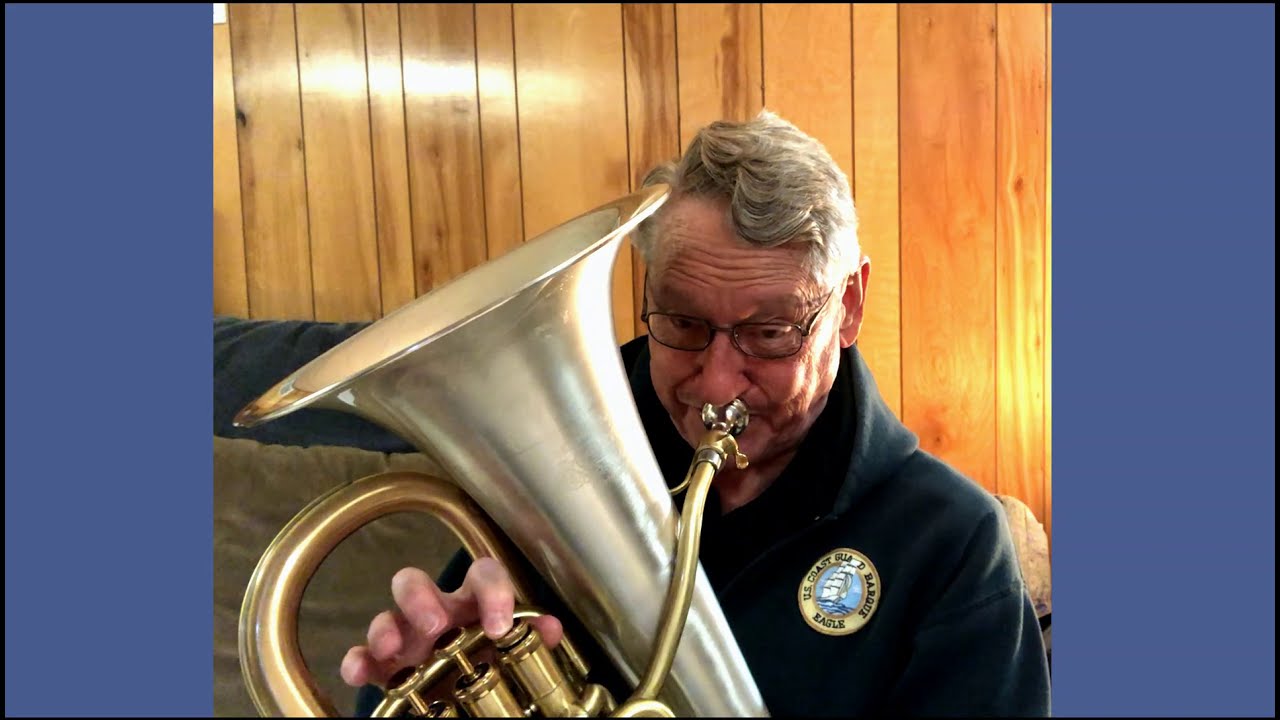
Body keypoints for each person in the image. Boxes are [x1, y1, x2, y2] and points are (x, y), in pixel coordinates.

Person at [339, 110, 1052, 717]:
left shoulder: (953, 546)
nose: (715, 385)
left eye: (770, 333)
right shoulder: (549, 467)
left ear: (850, 306)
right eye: (681, 324)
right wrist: (419, 673)